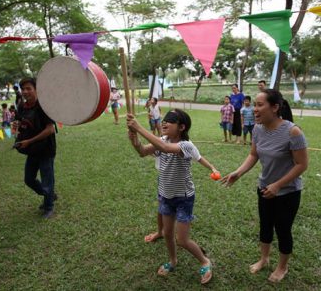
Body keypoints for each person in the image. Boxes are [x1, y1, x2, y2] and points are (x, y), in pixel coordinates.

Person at [221, 89, 308, 283]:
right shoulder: (258, 129)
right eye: (255, 105)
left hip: (287, 192)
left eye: (260, 105)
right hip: (264, 188)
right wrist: (238, 172)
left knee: (283, 230)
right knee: (265, 225)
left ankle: (282, 267)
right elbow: (254, 155)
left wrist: (277, 185)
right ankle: (264, 259)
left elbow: (302, 165)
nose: (255, 110)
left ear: (275, 107)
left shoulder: (293, 132)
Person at [127, 109, 218, 285]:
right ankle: (173, 260)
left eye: (170, 121)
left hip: (183, 198)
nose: (164, 123)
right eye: (164, 120)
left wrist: (138, 128)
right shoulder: (162, 140)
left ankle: (205, 261)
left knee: (182, 240)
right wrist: (135, 141)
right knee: (168, 234)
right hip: (166, 195)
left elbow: (167, 149)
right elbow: (143, 151)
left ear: (182, 127)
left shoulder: (186, 146)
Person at [13, 78, 57, 219]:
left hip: (45, 149)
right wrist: (17, 128)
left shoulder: (44, 106)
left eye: (28, 88)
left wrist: (29, 141)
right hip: (31, 149)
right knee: (29, 179)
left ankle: (49, 206)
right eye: (23, 89)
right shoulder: (22, 106)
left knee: (47, 180)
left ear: (36, 89)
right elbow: (21, 123)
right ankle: (50, 195)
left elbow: (50, 129)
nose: (25, 92)